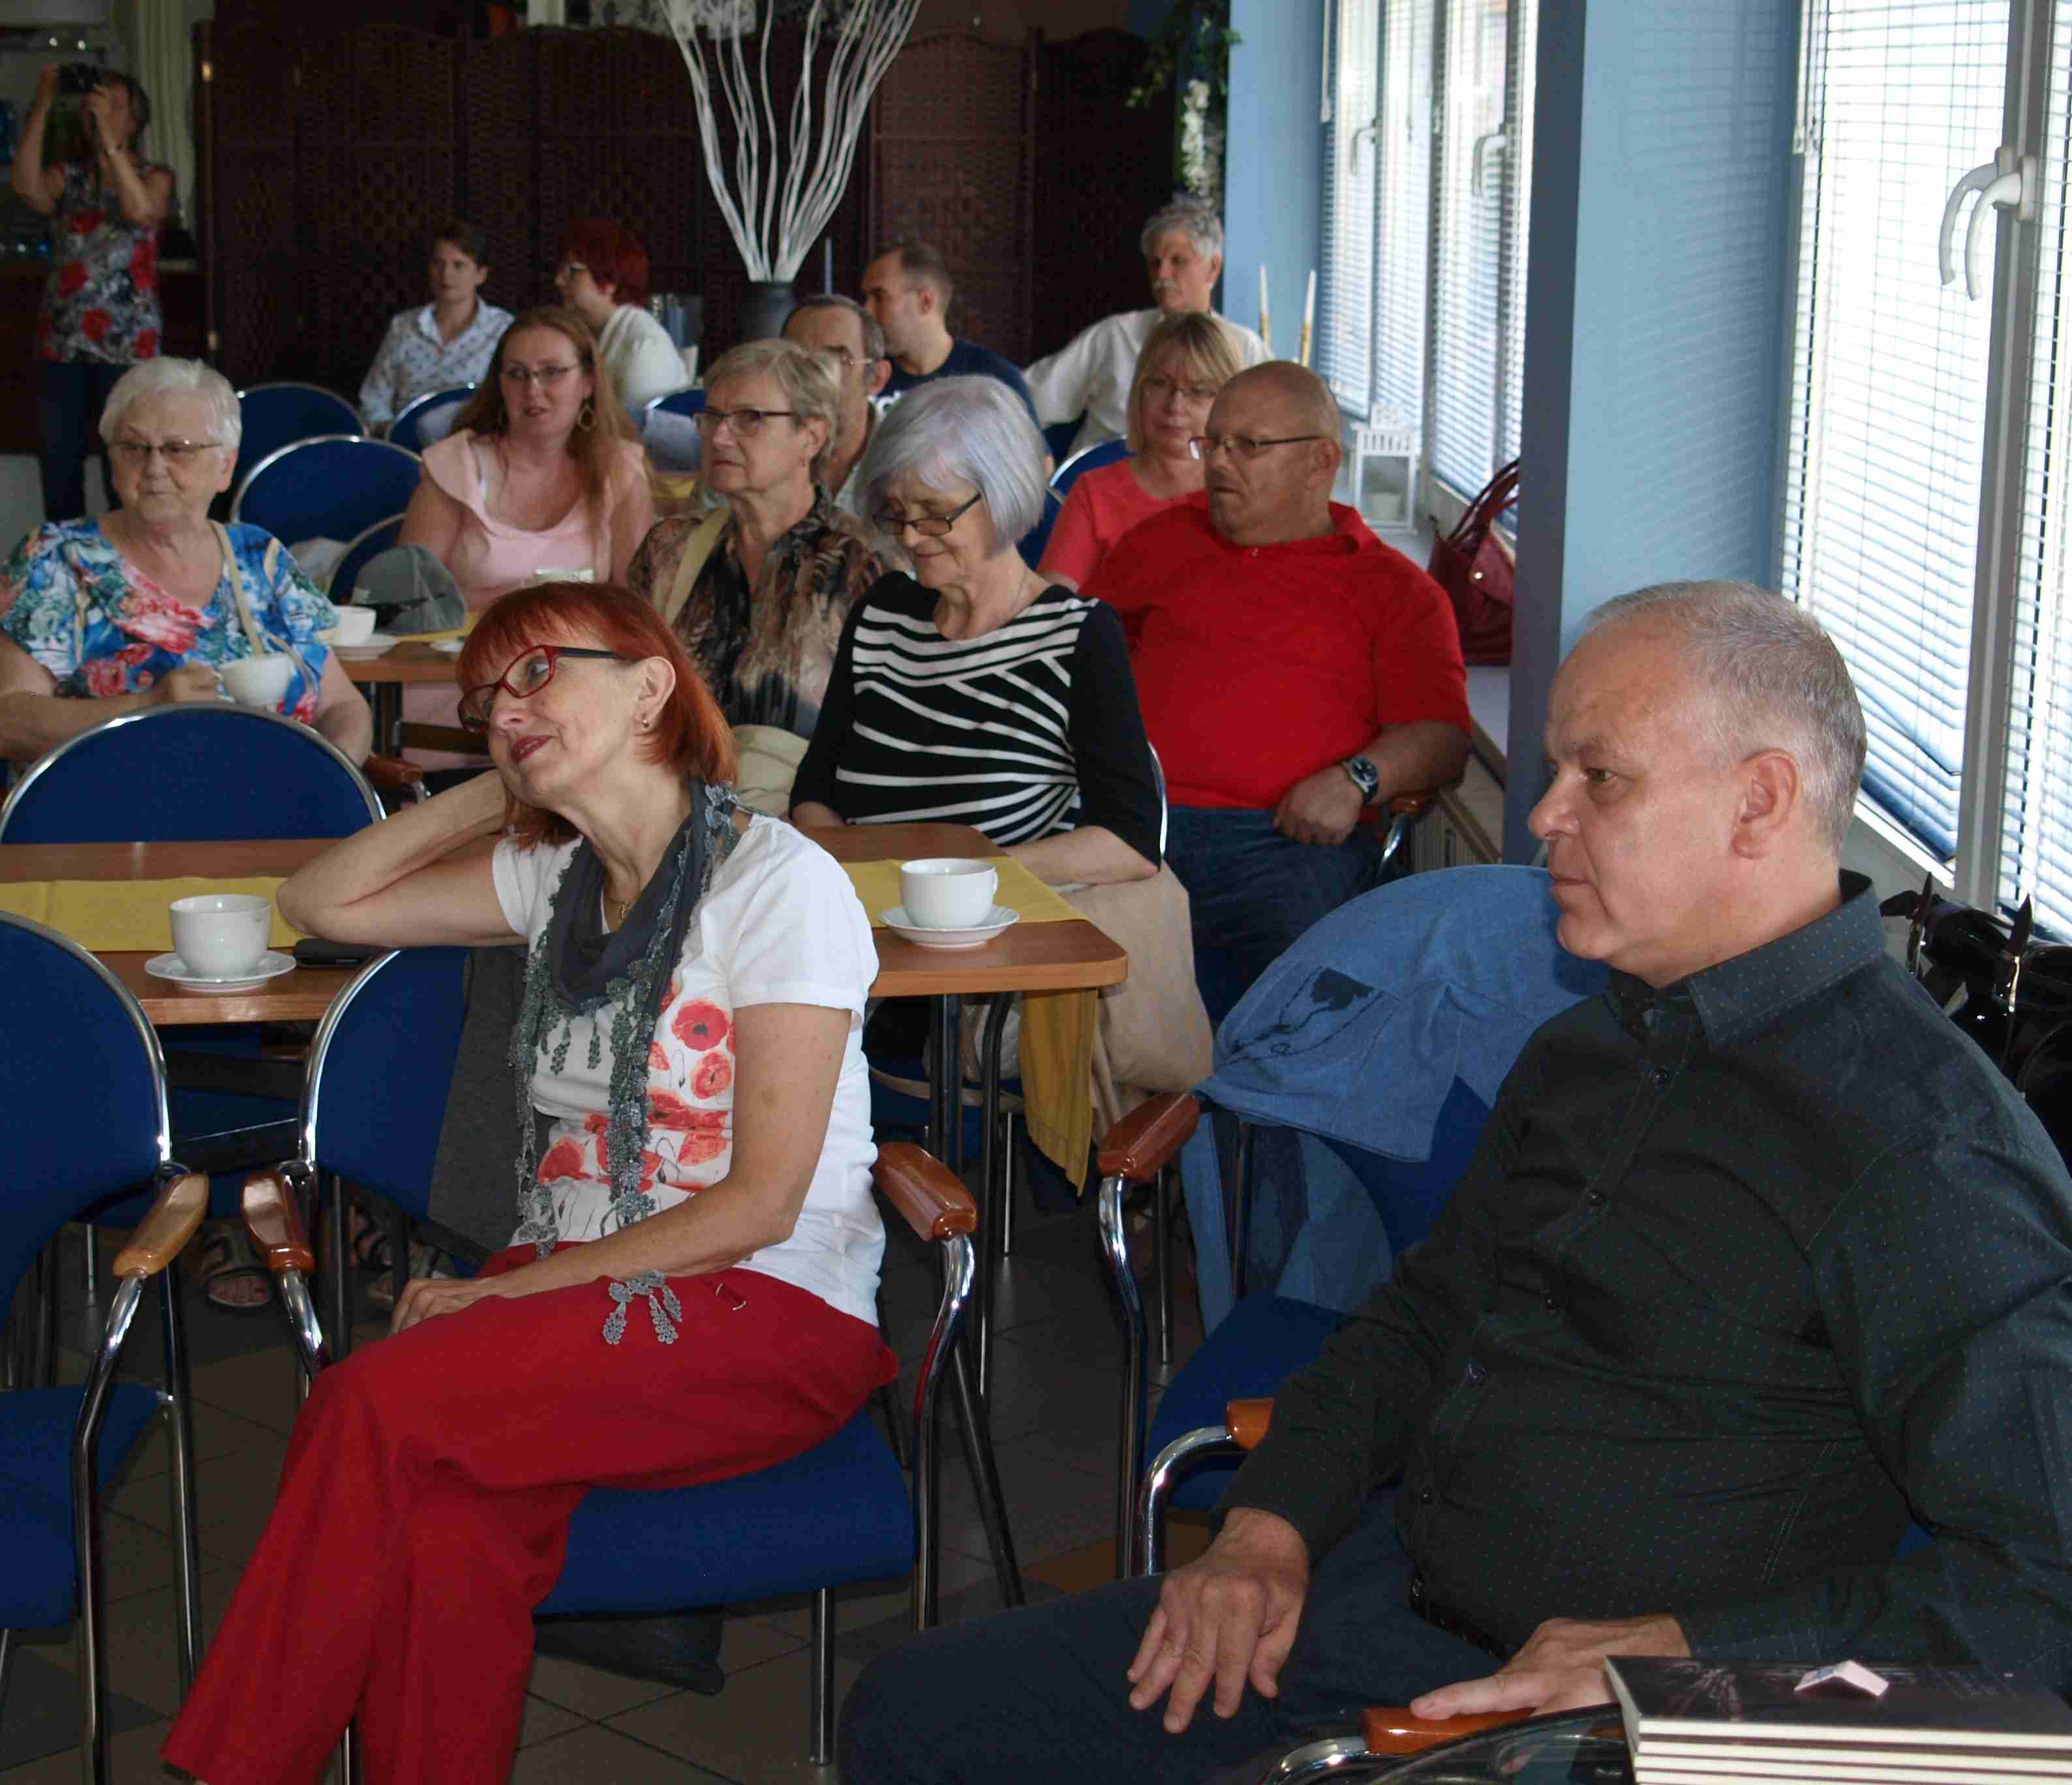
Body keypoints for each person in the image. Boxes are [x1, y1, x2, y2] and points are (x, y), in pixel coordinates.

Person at [840, 580, 2072, 1785]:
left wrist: (1682, 1654)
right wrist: (1270, 1524)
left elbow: (2043, 1589)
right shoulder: (1593, 1045)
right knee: (915, 1711)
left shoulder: (1923, 1150)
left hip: (1601, 1726)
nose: (1542, 815)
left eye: (1600, 778)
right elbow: (1426, 1316)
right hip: (1384, 1600)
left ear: (1760, 802)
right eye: (1555, 770)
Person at [160, 581, 897, 1785]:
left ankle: (236, 1770)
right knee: (446, 1535)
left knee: (368, 1403)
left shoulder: (779, 883)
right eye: (486, 698)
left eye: (540, 673)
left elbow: (762, 1204)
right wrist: (502, 779)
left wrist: (509, 1293)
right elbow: (317, 902)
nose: (506, 707)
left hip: (767, 1300)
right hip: (575, 1290)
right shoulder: (556, 880)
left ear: (651, 687)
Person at [1095, 361, 1469, 1024]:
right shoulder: (1160, 541)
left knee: (1298, 1003)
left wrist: (1357, 779)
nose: (1218, 463)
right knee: (1056, 960)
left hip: (1285, 844)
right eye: (1213, 442)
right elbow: (1081, 655)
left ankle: (1252, 1097)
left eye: (1249, 445)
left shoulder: (1396, 590)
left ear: (1320, 461)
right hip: (1134, 825)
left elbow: (1441, 736)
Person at [792, 376, 1159, 889]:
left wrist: (955, 880)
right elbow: (815, 792)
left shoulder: (1077, 636)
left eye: (934, 514)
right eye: (896, 512)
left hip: (1002, 921)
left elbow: (1130, 841)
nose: (909, 537)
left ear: (1004, 495)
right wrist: (854, 883)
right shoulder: (882, 614)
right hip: (863, 913)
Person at [0, 356, 372, 769]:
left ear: (225, 466)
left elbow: (342, 705)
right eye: (134, 448)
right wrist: (145, 707)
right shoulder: (54, 559)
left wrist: (332, 777)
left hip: (281, 794)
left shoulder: (261, 557)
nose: (153, 468)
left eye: (178, 449)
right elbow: (4, 722)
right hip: (119, 801)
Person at [622, 339, 894, 814]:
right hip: (664, 813)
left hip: (804, 827)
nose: (720, 438)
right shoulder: (669, 550)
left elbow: (883, 738)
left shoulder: (860, 566)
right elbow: (623, 692)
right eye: (712, 418)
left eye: (750, 418)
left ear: (811, 436)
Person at [398, 306, 656, 763]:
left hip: (575, 704)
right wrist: (521, 608)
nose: (533, 389)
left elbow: (636, 606)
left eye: (552, 372)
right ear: (499, 384)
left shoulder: (621, 469)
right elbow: (407, 600)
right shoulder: (455, 466)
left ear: (588, 382)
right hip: (457, 693)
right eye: (517, 374)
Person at [12, 63, 174, 523]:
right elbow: (27, 187)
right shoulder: (70, 177)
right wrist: (44, 101)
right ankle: (65, 561)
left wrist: (111, 144)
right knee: (59, 468)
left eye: (115, 107)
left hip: (128, 347)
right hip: (62, 344)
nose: (99, 113)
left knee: (126, 472)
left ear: (135, 120)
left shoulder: (155, 175)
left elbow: (140, 210)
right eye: (95, 107)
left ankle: (127, 561)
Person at [1026, 198, 1273, 456]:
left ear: (1213, 268)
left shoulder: (1245, 348)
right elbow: (1028, 398)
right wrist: (1040, 454)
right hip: (1102, 473)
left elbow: (1269, 435)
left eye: (1177, 261)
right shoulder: (1115, 336)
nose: (1162, 274)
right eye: (1155, 263)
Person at [1037, 312, 1242, 592]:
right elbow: (1054, 606)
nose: (1175, 406)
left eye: (1198, 391)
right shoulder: (1094, 493)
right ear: (1139, 389)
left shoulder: (1245, 492)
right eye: (1160, 384)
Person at [356, 222, 513, 434]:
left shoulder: (503, 329)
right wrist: (394, 430)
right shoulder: (403, 327)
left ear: (481, 274)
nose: (446, 275)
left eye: (458, 265)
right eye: (438, 264)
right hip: (407, 445)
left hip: (476, 444)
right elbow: (372, 402)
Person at [861, 241, 1039, 428]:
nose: (866, 310)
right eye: (867, 297)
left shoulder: (996, 379)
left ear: (925, 302)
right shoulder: (864, 375)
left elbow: (1032, 448)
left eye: (879, 297)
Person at [552, 217, 690, 413]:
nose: (559, 281)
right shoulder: (592, 334)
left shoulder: (643, 348)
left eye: (572, 272)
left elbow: (635, 429)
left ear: (610, 281)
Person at [784, 294, 891, 508]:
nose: (813, 376)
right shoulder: (753, 453)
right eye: (797, 361)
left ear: (876, 378)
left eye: (837, 361)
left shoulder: (908, 457)